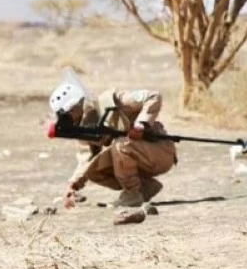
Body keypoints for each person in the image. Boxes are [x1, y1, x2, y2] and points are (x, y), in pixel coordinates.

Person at [50, 78, 176, 211]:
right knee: (94, 170)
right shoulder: (83, 127)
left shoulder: (114, 103)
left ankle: (132, 194)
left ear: (75, 106)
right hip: (139, 153)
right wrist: (73, 184)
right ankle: (144, 188)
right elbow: (86, 157)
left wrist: (141, 124)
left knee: (121, 145)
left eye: (66, 115)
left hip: (160, 151)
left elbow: (153, 96)